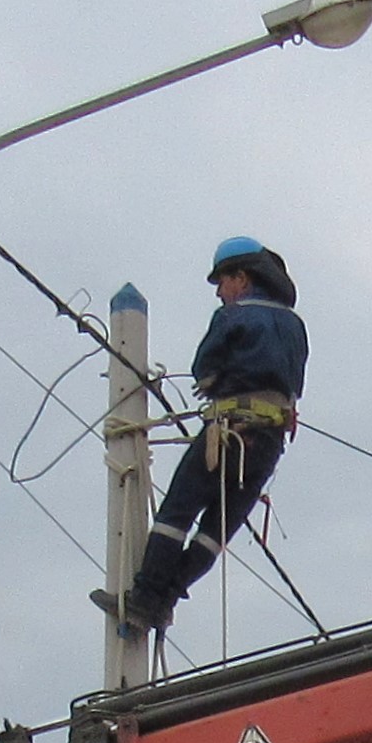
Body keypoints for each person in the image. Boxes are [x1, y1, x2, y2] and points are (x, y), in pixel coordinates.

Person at [107, 236, 307, 638]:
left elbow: (205, 365)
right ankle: (164, 602)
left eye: (222, 281)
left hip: (229, 431)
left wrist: (210, 378)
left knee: (176, 514)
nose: (219, 292)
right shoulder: (294, 325)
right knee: (215, 532)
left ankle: (145, 598)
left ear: (242, 277)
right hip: (268, 445)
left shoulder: (233, 316)